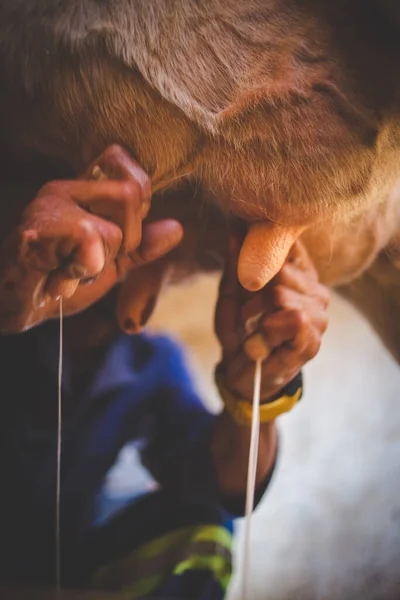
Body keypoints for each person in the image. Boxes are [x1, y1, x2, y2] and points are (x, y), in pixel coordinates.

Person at [0, 148, 329, 599]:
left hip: (73, 563)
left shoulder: (150, 363)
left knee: (205, 534)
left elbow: (221, 486)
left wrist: (262, 382)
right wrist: (11, 302)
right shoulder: (15, 310)